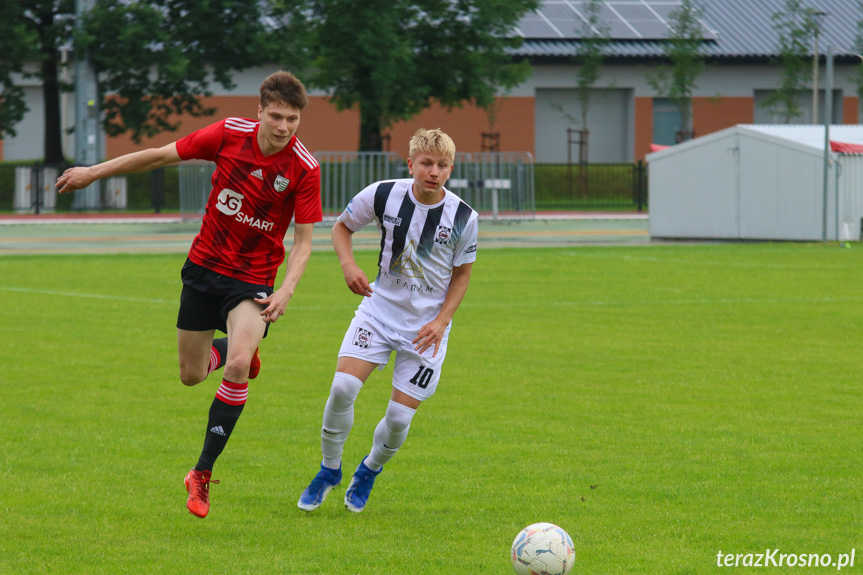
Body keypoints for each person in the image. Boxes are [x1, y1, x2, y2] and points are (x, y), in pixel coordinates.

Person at [56, 71, 322, 518]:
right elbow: (160, 155)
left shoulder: (304, 167)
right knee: (191, 375)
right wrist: (92, 173)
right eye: (275, 116)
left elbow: (304, 241)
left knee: (237, 365)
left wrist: (287, 290)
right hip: (203, 269)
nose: (283, 127)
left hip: (253, 280)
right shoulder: (227, 135)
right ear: (259, 110)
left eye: (292, 119)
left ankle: (200, 474)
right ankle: (239, 349)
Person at [297, 128, 478, 513]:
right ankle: (329, 470)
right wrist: (348, 265)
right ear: (410, 163)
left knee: (398, 417)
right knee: (343, 388)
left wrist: (443, 321)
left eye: (442, 165)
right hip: (378, 313)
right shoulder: (382, 194)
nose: (433, 171)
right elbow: (341, 227)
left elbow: (462, 274)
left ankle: (369, 470)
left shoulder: (464, 216)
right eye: (426, 163)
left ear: (450, 169)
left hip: (426, 330)